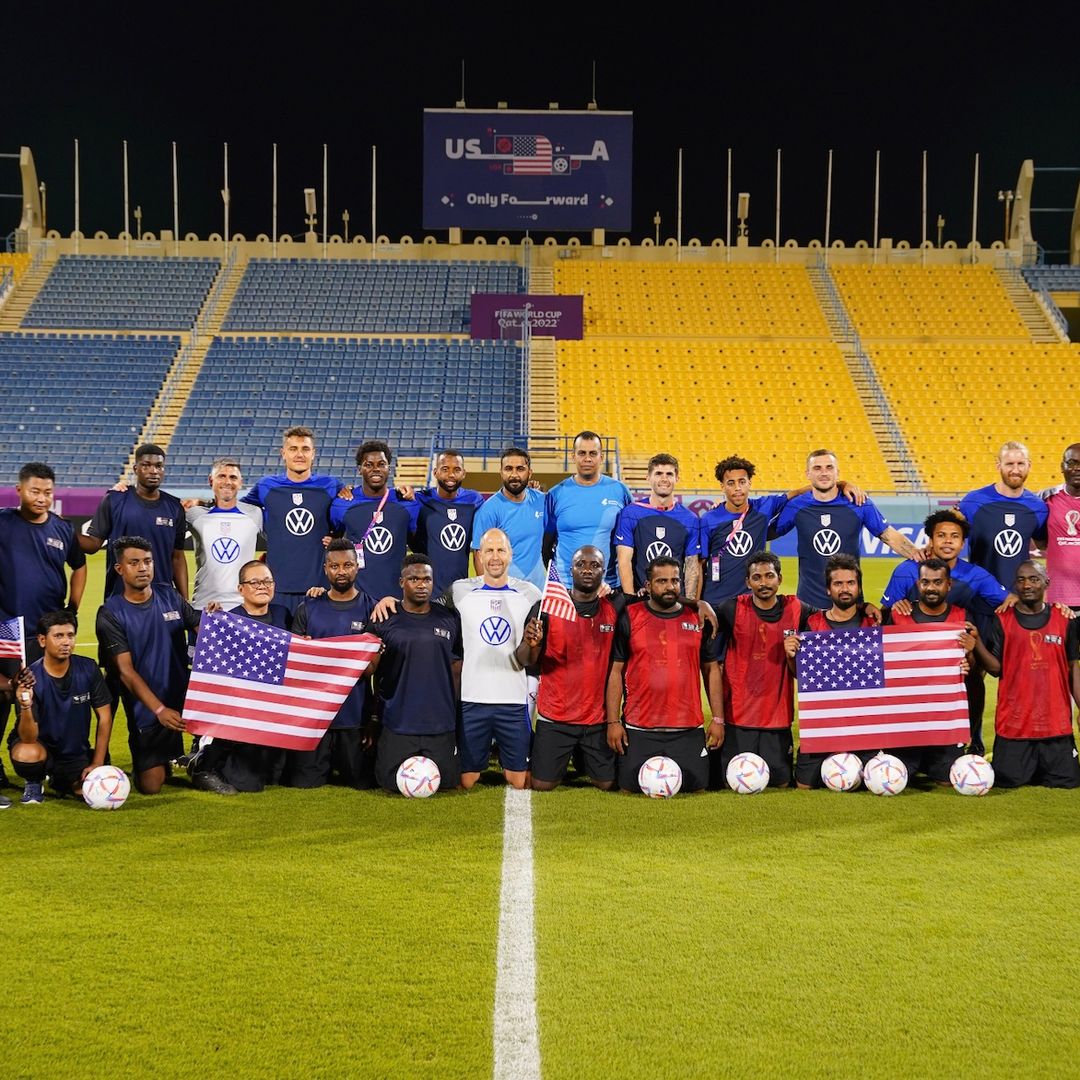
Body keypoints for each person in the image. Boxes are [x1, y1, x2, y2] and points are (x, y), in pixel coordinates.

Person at [881, 508, 1010, 755]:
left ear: (962, 544)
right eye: (941, 535)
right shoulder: (907, 571)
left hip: (955, 654)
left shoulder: (976, 575)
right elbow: (883, 615)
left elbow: (1007, 602)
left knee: (973, 676)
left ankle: (973, 738)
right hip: (914, 657)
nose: (948, 541)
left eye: (954, 536)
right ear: (931, 540)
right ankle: (907, 740)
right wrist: (895, 606)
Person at [95, 536, 207, 796]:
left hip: (183, 695)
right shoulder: (110, 613)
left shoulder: (169, 595)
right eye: (134, 563)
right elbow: (125, 671)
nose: (143, 568)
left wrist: (214, 619)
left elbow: (201, 628)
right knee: (151, 786)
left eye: (147, 561)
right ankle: (151, 764)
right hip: (147, 707)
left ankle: (203, 755)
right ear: (119, 569)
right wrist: (159, 710)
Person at [0, 462, 87, 787]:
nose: (41, 497)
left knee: (40, 699)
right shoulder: (3, 522)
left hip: (46, 632)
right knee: (4, 697)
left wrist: (73, 608)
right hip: (6, 627)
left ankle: (45, 767)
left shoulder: (62, 529)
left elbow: (79, 566)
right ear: (19, 490)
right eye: (35, 491)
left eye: (47, 492)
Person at [958, 442, 1049, 753]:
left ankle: (1020, 741)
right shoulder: (974, 502)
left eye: (1021, 464)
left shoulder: (1037, 507)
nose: (1015, 470)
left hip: (1020, 607)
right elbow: (951, 542)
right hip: (980, 604)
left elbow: (1044, 544)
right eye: (1009, 464)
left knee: (1023, 674)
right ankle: (974, 741)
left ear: (1029, 466)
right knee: (974, 672)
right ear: (998, 465)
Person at [606, 556, 723, 794]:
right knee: (628, 789)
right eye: (661, 581)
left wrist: (718, 719)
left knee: (698, 788)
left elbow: (711, 670)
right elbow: (616, 672)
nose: (670, 586)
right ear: (648, 586)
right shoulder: (630, 616)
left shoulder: (698, 619)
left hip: (687, 728)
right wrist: (613, 722)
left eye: (674, 580)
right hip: (640, 728)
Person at [516, 545, 619, 792]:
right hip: (556, 719)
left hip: (596, 721)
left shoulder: (614, 608)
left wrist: (697, 604)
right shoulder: (546, 608)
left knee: (608, 784)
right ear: (570, 570)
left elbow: (653, 598)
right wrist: (532, 644)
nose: (587, 570)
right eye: (580, 564)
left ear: (603, 571)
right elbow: (525, 659)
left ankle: (582, 757)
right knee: (541, 785)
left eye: (594, 565)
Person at [697, 455, 864, 607]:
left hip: (750, 602)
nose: (737, 488)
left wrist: (841, 484)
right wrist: (697, 604)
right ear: (722, 486)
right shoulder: (708, 519)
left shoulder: (764, 507)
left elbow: (800, 492)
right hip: (715, 601)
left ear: (749, 483)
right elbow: (699, 566)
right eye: (730, 483)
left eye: (742, 481)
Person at [970, 561, 1080, 788]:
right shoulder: (1001, 620)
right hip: (1014, 727)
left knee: (1069, 781)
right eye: (1021, 580)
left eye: (1034, 579)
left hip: (1055, 726)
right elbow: (995, 669)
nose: (1027, 584)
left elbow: (1073, 668)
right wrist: (977, 643)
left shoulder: (1065, 620)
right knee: (1007, 781)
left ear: (1046, 583)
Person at [446, 528, 541, 789]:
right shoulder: (459, 592)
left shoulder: (530, 594)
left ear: (511, 554)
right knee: (467, 780)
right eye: (489, 550)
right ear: (479, 555)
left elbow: (527, 657)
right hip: (473, 699)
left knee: (518, 780)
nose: (495, 557)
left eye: (500, 550)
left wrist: (531, 644)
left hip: (512, 700)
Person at [188, 559, 293, 793]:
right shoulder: (229, 620)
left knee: (273, 778)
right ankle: (204, 765)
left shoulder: (283, 614)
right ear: (240, 589)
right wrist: (213, 621)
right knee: (249, 784)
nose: (262, 586)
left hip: (272, 710)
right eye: (254, 582)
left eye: (267, 581)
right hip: (238, 710)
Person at [712, 551, 816, 788]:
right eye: (757, 578)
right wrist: (698, 603)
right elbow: (703, 618)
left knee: (779, 783)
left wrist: (865, 610)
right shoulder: (733, 609)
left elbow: (831, 620)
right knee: (732, 782)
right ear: (748, 582)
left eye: (769, 576)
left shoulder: (796, 608)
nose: (764, 583)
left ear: (779, 578)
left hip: (777, 720)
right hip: (739, 718)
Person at [770, 449, 920, 611]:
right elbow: (767, 533)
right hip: (808, 606)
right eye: (817, 468)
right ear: (808, 473)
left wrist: (921, 557)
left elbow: (889, 536)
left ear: (837, 472)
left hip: (851, 605)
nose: (824, 473)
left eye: (829, 467)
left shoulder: (859, 503)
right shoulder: (796, 505)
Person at [367, 554, 462, 794]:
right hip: (398, 722)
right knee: (387, 784)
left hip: (440, 723)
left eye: (427, 579)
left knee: (448, 783)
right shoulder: (383, 618)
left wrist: (455, 710)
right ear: (401, 582)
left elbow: (457, 667)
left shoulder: (449, 618)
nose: (422, 585)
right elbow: (368, 670)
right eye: (414, 579)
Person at [288, 539, 377, 789]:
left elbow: (372, 668)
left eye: (348, 565)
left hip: (353, 716)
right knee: (304, 783)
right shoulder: (308, 607)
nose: (341, 571)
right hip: (315, 717)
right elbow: (296, 663)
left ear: (357, 566)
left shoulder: (372, 608)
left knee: (360, 782)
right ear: (325, 568)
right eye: (335, 566)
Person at [881, 559, 973, 784]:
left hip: (944, 723)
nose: (931, 588)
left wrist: (969, 656)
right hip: (906, 723)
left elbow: (972, 667)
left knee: (946, 779)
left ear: (948, 585)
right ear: (918, 584)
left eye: (937, 582)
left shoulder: (962, 618)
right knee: (895, 779)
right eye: (925, 582)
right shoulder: (899, 615)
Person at [792, 554, 878, 789]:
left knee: (877, 781)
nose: (845, 589)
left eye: (850, 583)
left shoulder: (875, 624)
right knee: (803, 785)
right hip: (824, 726)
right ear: (828, 589)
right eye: (838, 584)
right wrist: (792, 654)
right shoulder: (811, 624)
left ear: (859, 587)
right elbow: (801, 675)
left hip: (865, 728)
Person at [8, 611, 112, 804]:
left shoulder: (88, 668)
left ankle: (60, 779)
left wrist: (97, 763)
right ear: (42, 640)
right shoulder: (30, 678)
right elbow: (28, 737)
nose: (66, 642)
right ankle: (34, 780)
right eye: (58, 636)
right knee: (27, 753)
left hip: (73, 751)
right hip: (39, 746)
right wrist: (26, 706)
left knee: (86, 794)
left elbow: (105, 717)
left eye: (70, 635)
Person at [241, 426, 342, 615]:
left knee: (316, 643)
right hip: (277, 588)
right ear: (283, 453)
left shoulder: (331, 485)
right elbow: (234, 509)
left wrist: (338, 539)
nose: (299, 454)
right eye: (293, 449)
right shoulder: (266, 486)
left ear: (313, 454)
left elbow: (353, 514)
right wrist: (203, 503)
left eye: (305, 449)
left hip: (319, 587)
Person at [80, 444, 188, 600]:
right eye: (146, 465)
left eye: (159, 466)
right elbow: (92, 544)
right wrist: (65, 531)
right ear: (136, 468)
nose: (154, 471)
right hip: (120, 601)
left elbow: (177, 558)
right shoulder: (114, 500)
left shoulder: (174, 507)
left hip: (163, 602)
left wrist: (185, 602)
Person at [330, 440, 419, 602]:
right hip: (356, 598)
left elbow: (416, 543)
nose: (376, 469)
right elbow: (332, 538)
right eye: (369, 464)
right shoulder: (341, 504)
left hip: (396, 598)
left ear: (389, 469)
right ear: (359, 469)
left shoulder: (407, 503)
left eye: (381, 464)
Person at [544, 430, 632, 589]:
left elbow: (631, 541)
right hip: (566, 587)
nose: (587, 459)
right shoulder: (555, 494)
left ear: (601, 456)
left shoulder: (620, 491)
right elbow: (545, 547)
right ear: (573, 456)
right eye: (582, 453)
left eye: (593, 453)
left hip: (609, 587)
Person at [613, 453, 701, 596]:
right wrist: (630, 599)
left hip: (674, 598)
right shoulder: (631, 513)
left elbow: (692, 567)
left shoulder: (690, 519)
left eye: (669, 474)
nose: (664, 479)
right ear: (648, 478)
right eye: (658, 473)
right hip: (642, 598)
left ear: (677, 478)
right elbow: (624, 561)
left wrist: (689, 603)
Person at [183, 458, 264, 610]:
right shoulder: (194, 514)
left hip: (243, 608)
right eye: (221, 476)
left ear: (241, 483)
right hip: (203, 606)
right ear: (211, 480)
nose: (227, 481)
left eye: (233, 477)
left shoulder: (255, 514)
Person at [410, 450, 485, 594]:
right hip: (427, 592)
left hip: (460, 592)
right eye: (445, 469)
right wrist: (353, 492)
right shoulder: (420, 499)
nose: (451, 475)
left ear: (463, 473)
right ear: (435, 472)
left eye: (456, 470)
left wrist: (527, 494)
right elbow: (386, 498)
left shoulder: (474, 500)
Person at [471, 446, 546, 589]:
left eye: (520, 469)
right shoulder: (489, 509)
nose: (514, 474)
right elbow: (479, 555)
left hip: (538, 591)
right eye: (508, 469)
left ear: (530, 473)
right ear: (501, 472)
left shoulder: (542, 501)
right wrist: (487, 592)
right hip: (506, 592)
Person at [1039, 442, 1080, 608]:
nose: (1077, 468)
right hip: (1059, 598)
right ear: (1062, 467)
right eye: (1072, 463)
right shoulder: (1045, 498)